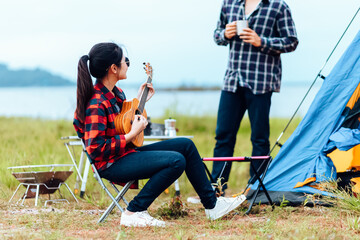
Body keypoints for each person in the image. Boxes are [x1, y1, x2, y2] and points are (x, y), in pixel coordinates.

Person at [73, 42, 246, 227]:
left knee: (185, 145)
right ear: (114, 68)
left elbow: (121, 124)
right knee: (176, 161)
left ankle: (212, 205)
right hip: (111, 164)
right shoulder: (96, 103)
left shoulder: (116, 95)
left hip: (124, 154)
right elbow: (96, 149)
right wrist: (132, 135)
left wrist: (139, 102)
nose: (128, 65)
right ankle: (134, 211)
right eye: (126, 61)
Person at [211, 0, 298, 193]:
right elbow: (217, 35)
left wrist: (261, 41)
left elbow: (291, 41)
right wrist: (225, 33)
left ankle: (256, 188)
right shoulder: (229, 3)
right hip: (232, 81)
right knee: (223, 136)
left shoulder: (278, 6)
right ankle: (216, 188)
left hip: (262, 82)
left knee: (259, 139)